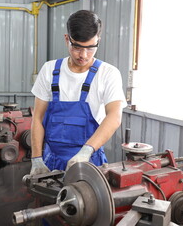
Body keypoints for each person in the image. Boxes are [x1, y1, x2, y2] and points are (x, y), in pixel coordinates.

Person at [30, 10, 127, 175]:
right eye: (77, 47)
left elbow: (114, 116)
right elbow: (37, 118)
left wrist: (86, 152)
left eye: (90, 48)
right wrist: (36, 159)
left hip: (89, 163)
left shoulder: (108, 73)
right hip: (51, 163)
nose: (83, 55)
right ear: (67, 39)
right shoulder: (49, 70)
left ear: (98, 41)